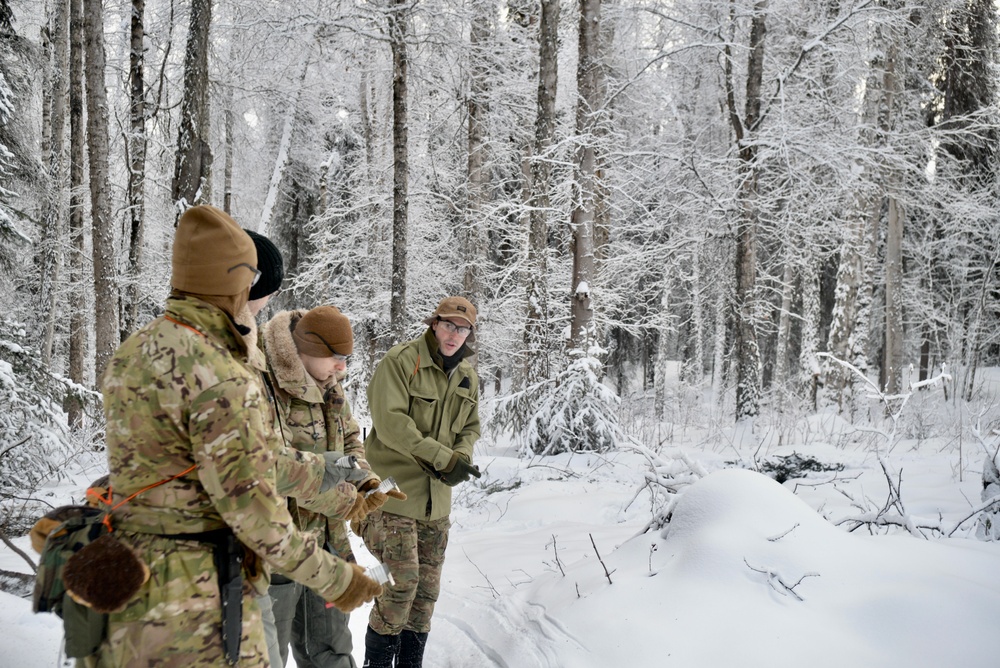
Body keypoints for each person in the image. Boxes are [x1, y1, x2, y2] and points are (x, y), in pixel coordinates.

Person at [95, 205, 382, 665]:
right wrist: (338, 579)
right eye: (254, 287)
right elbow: (254, 509)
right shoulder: (221, 371)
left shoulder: (134, 352)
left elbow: (172, 468)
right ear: (238, 283)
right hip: (205, 603)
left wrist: (333, 476)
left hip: (132, 590)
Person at [261, 305, 404, 668]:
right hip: (279, 547)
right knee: (266, 654)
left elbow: (351, 438)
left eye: (346, 359)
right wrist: (346, 502)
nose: (342, 368)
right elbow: (276, 471)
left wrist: (366, 481)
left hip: (328, 543)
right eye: (335, 358)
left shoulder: (331, 388)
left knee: (332, 650)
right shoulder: (265, 385)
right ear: (307, 347)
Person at [360, 296, 483, 668]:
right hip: (394, 494)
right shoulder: (401, 362)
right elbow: (392, 424)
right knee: (401, 586)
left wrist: (460, 457)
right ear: (434, 324)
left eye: (462, 329)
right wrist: (442, 457)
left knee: (426, 594)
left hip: (437, 502)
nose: (454, 334)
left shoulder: (466, 375)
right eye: (448, 325)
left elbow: (470, 427)